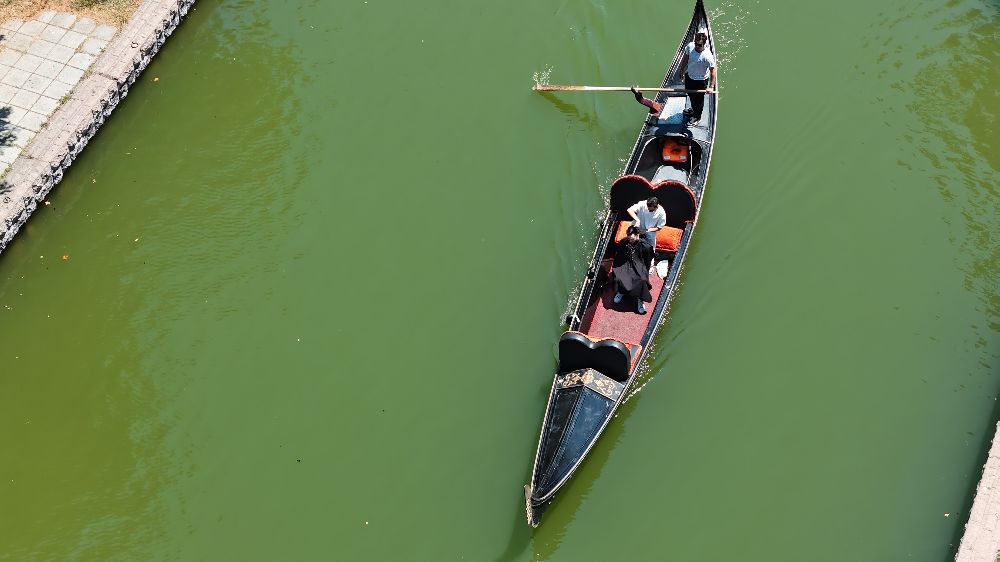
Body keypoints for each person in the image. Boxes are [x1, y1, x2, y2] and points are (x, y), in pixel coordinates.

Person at [612, 225, 654, 314]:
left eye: (631, 238)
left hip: (639, 265)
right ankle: (621, 292)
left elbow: (647, 260)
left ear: (637, 235)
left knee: (641, 280)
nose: (629, 240)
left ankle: (640, 299)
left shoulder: (645, 246)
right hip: (625, 264)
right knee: (619, 275)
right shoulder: (624, 242)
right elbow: (619, 255)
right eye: (628, 238)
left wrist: (644, 270)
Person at [678, 30, 717, 125]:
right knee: (690, 94)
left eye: (699, 45)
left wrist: (711, 87)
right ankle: (693, 109)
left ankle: (697, 117)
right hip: (690, 76)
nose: (697, 47)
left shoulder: (707, 56)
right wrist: (682, 70)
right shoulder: (690, 46)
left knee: (698, 101)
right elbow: (685, 59)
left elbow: (713, 71)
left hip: (701, 81)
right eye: (696, 44)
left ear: (704, 44)